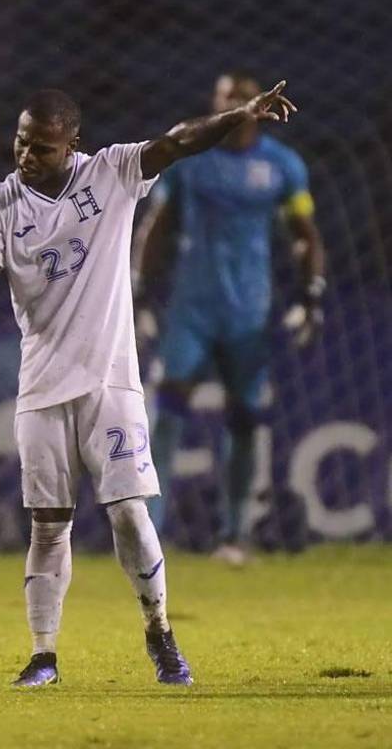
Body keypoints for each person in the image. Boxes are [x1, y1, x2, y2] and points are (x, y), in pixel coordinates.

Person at [0, 82, 297, 686]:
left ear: (72, 145)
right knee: (48, 522)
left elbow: (178, 142)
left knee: (130, 513)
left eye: (41, 147)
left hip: (111, 381)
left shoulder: (110, 173)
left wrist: (240, 115)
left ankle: (160, 632)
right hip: (41, 387)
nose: (26, 155)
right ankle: (43, 655)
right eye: (20, 141)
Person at [133, 71, 326, 565]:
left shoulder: (282, 166)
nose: (235, 105)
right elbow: (158, 225)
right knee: (167, 407)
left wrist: (311, 293)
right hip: (191, 308)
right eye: (225, 98)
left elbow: (304, 231)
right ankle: (149, 536)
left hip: (250, 313)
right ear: (216, 104)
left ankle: (235, 534)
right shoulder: (190, 162)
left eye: (241, 97)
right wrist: (136, 289)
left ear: (259, 104)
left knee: (245, 419)